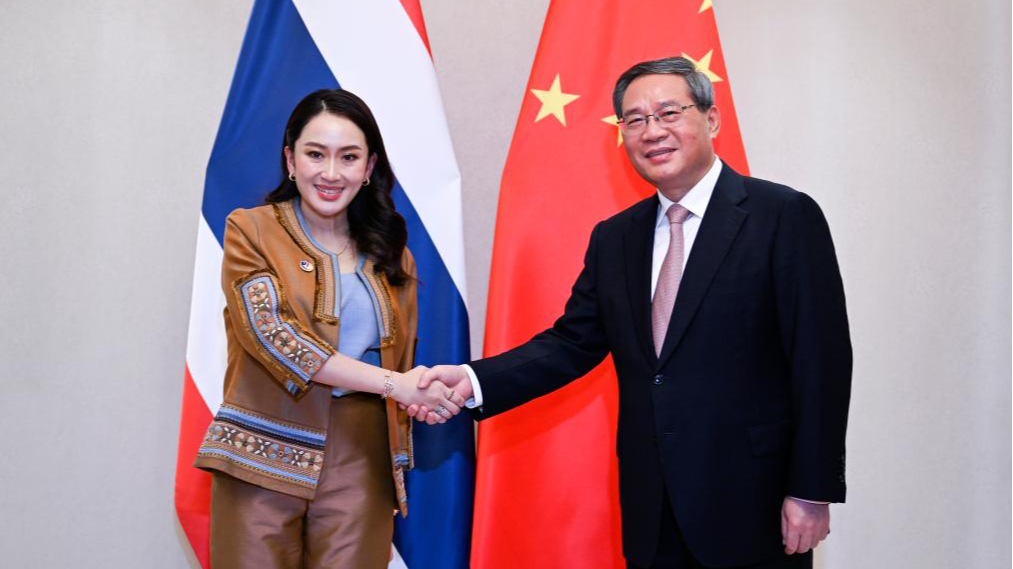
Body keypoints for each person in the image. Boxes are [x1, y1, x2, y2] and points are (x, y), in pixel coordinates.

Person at [412, 57, 852, 569]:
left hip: (754, 499)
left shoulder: (783, 216)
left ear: (710, 120)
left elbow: (821, 361)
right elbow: (571, 344)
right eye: (635, 120)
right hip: (651, 502)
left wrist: (811, 489)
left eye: (669, 112)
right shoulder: (616, 237)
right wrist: (473, 380)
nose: (652, 131)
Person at [193, 89, 465, 568]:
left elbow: (400, 361)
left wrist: (421, 394)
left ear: (368, 168)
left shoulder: (391, 251)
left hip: (362, 462)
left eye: (349, 157)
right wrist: (395, 385)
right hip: (262, 456)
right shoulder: (249, 230)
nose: (331, 172)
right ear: (290, 160)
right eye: (315, 154)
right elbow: (276, 339)